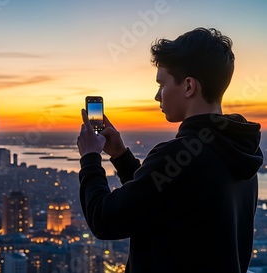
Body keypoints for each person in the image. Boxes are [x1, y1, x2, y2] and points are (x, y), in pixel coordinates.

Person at [77, 27, 263, 273]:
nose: (157, 96)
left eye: (162, 84)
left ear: (188, 87)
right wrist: (122, 157)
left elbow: (104, 219)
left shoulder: (177, 156)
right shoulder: (242, 151)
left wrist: (90, 158)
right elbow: (164, 196)